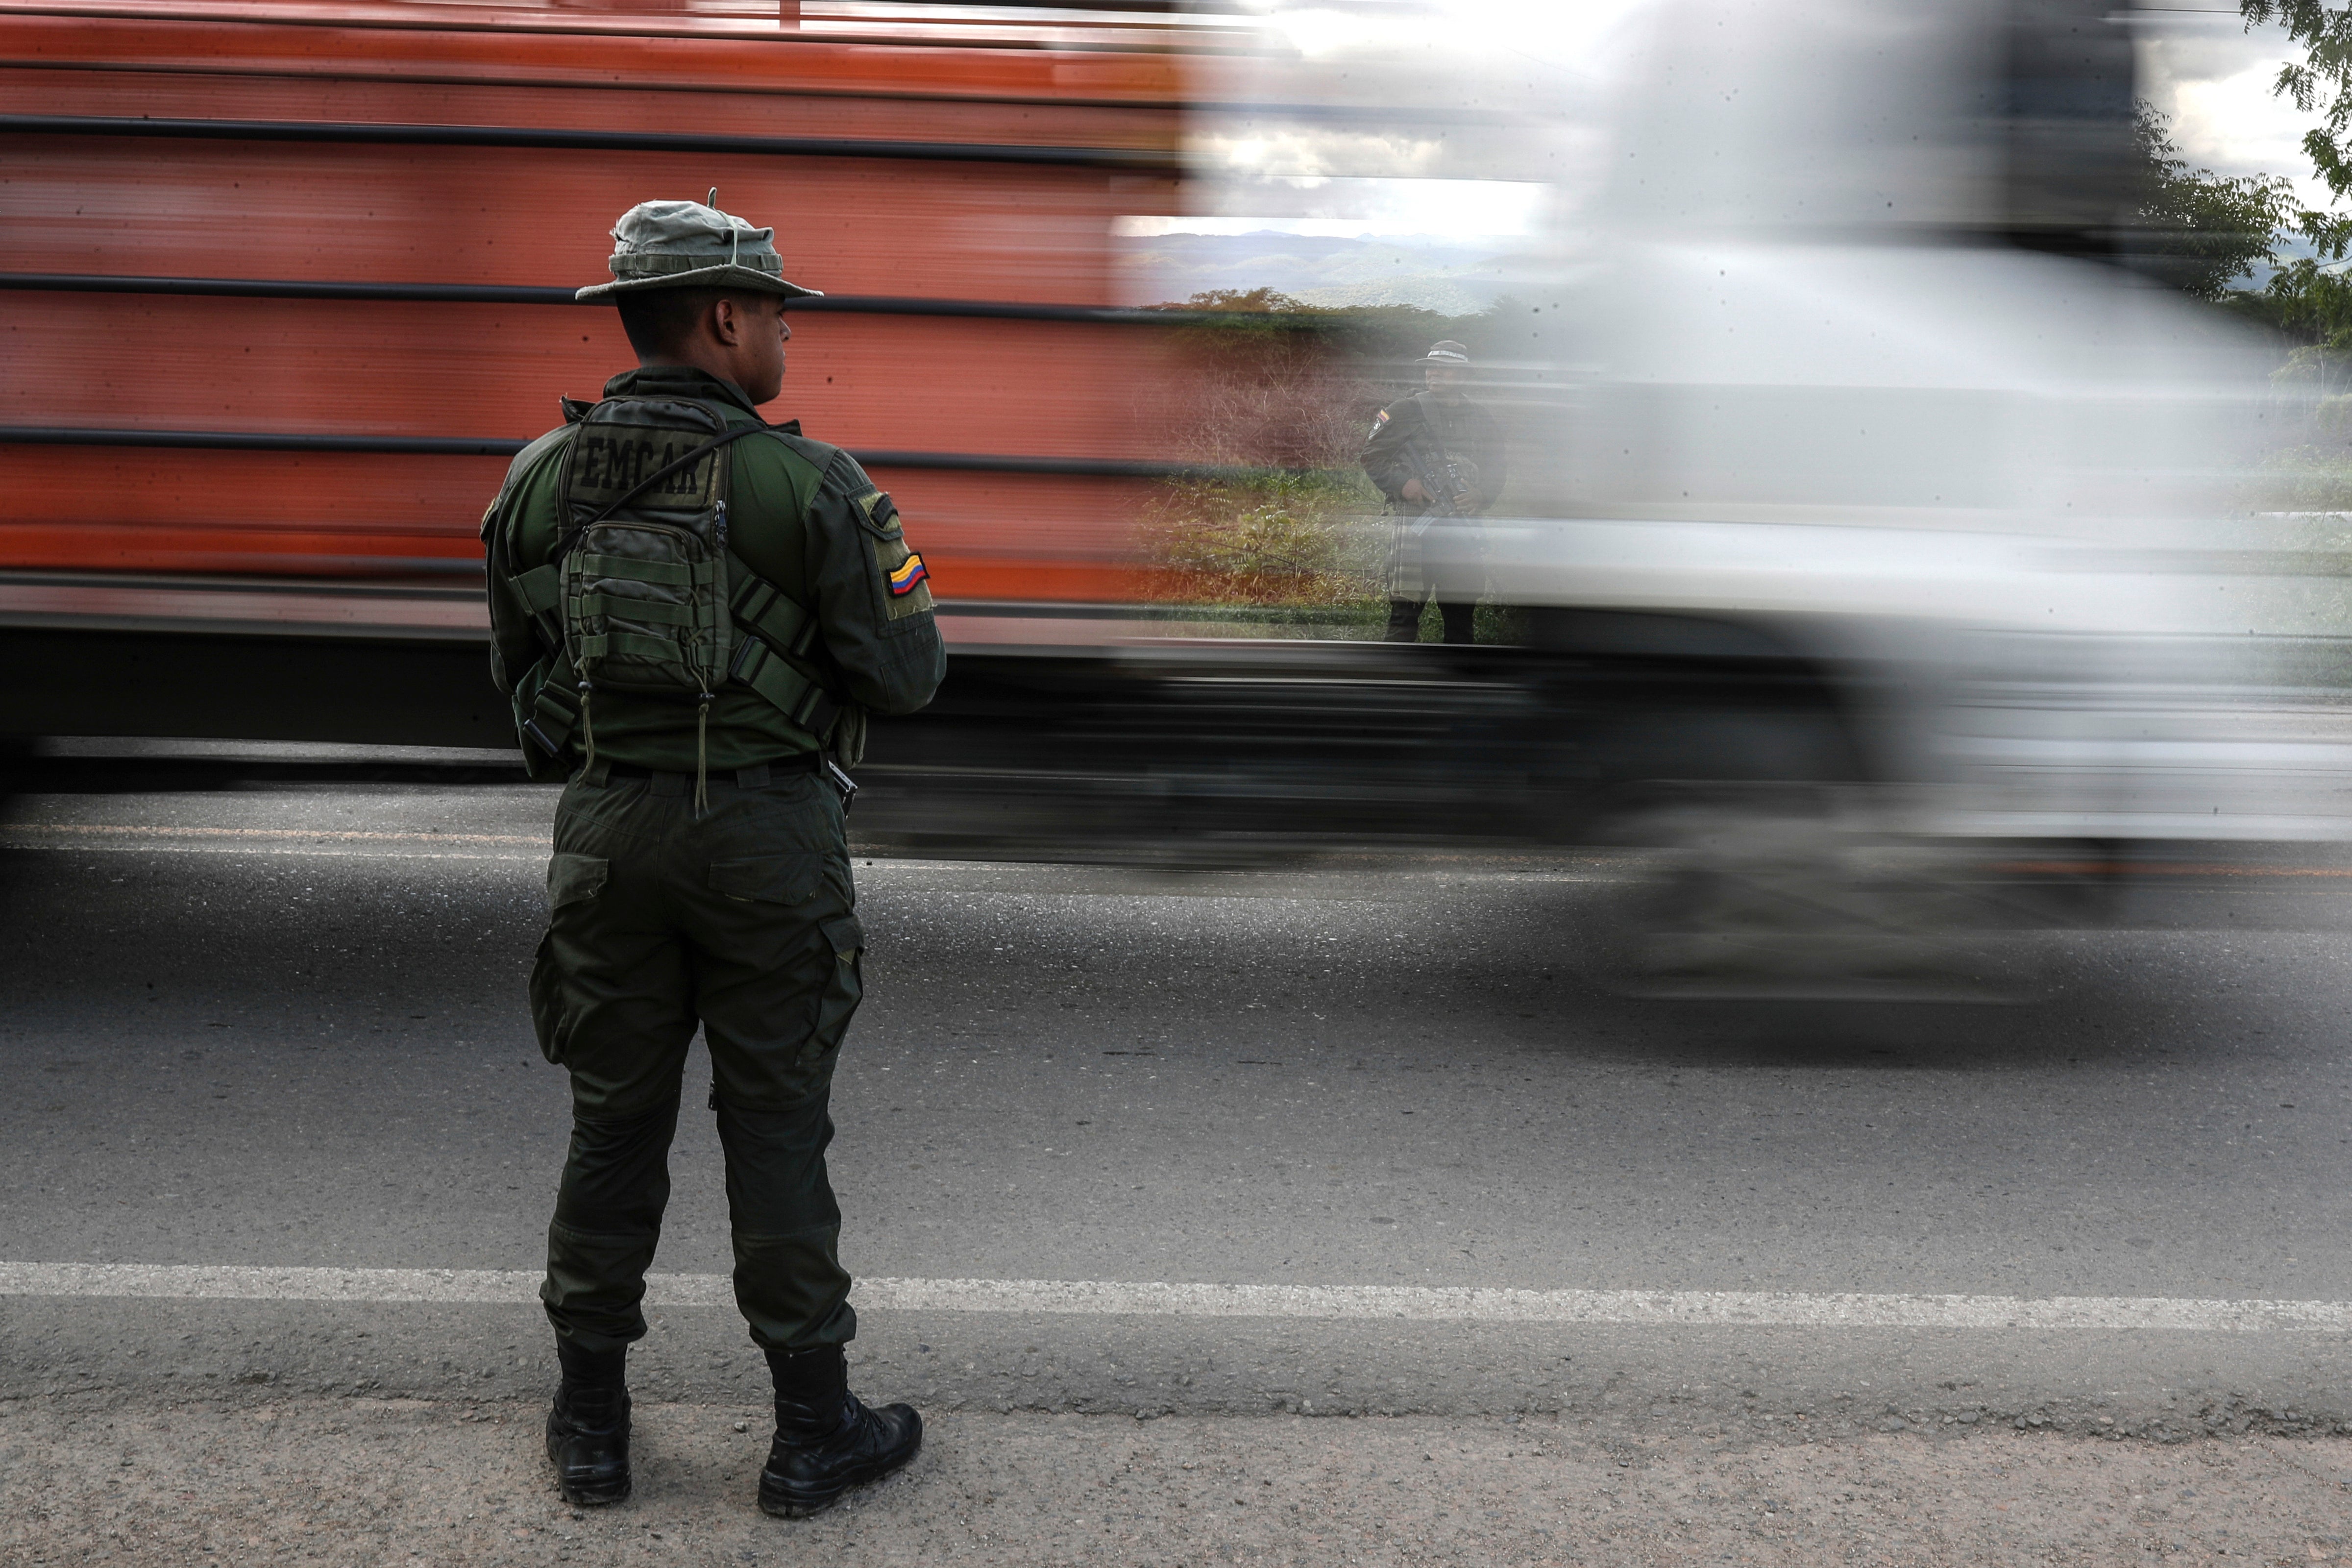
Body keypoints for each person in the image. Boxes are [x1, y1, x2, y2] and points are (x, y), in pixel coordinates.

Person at [480, 195, 945, 1519]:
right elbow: (908, 676)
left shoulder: (535, 479)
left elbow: (517, 683)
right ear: (729, 316)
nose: (787, 337)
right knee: (778, 1127)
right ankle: (810, 1437)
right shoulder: (814, 485)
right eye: (780, 314)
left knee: (610, 1128)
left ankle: (591, 1433)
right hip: (768, 839)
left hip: (607, 838)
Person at [1359, 340, 1509, 645]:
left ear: (1463, 376)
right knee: (1405, 614)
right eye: (1431, 368)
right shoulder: (1404, 411)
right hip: (1417, 526)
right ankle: (1395, 684)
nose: (1435, 374)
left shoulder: (1481, 417)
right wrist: (1404, 484)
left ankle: (1457, 685)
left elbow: (1497, 466)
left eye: (1445, 369)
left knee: (1460, 616)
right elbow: (1372, 456)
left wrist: (1481, 494)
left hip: (1461, 527)